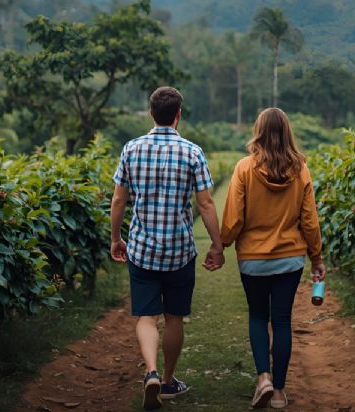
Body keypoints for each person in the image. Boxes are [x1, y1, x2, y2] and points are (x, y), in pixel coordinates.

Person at [110, 87, 226, 410]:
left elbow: (119, 199)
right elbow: (205, 204)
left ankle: (150, 372)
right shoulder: (192, 152)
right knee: (174, 318)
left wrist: (115, 238)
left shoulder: (131, 149)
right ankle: (170, 380)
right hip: (179, 252)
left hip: (142, 249)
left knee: (147, 317)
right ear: (178, 115)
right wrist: (217, 247)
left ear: (151, 113)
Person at [220, 108, 326, 409]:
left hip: (253, 259)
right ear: (288, 132)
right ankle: (279, 392)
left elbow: (234, 218)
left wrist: (222, 245)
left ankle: (263, 378)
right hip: (290, 259)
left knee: (257, 316)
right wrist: (316, 257)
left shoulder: (244, 168)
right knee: (281, 320)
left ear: (258, 132)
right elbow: (309, 221)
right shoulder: (301, 169)